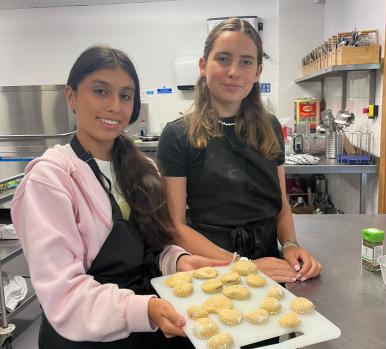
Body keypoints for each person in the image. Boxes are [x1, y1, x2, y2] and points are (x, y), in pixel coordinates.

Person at [11, 45, 225, 349]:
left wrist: (177, 261)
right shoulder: (52, 179)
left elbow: (150, 249)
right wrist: (143, 309)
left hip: (148, 327)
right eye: (100, 91)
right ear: (71, 96)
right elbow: (63, 294)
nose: (115, 106)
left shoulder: (144, 169)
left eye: (125, 96)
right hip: (84, 337)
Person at [157, 18, 321, 285]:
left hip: (270, 264)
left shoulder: (269, 127)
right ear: (203, 65)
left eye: (246, 61)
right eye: (223, 58)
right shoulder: (178, 134)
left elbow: (280, 206)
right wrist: (241, 266)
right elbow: (175, 226)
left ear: (257, 72)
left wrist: (290, 245)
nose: (234, 71)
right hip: (214, 268)